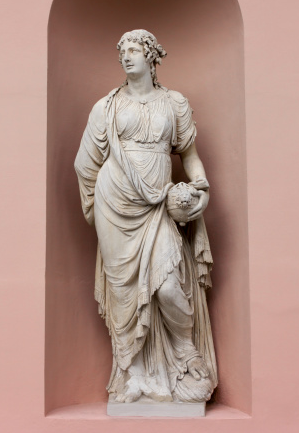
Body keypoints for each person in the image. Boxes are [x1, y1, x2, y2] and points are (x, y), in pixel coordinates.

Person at [75, 29, 217, 403]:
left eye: (135, 50)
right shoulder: (105, 107)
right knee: (123, 291)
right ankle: (133, 372)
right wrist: (97, 207)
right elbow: (84, 164)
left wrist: (200, 188)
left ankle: (186, 354)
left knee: (169, 285)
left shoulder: (174, 103)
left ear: (152, 58)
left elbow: (189, 155)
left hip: (157, 207)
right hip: (114, 204)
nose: (127, 57)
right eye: (123, 51)